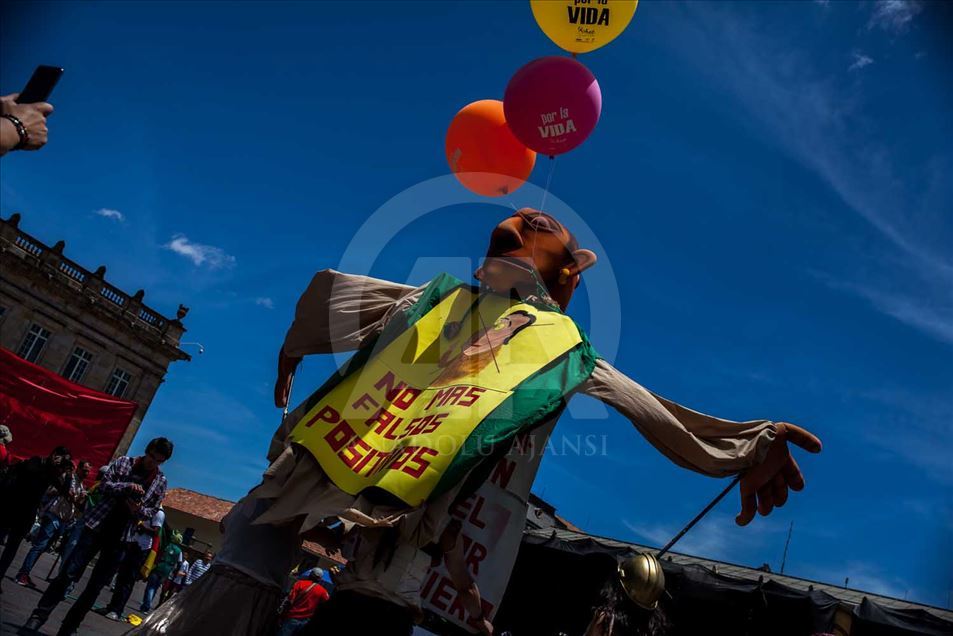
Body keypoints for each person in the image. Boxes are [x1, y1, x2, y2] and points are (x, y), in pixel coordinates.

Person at [24, 437, 172, 635]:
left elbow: (152, 510)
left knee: (95, 586)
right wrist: (126, 487)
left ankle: (69, 627)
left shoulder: (160, 481)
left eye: (158, 460)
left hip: (122, 536)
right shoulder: (124, 463)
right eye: (152, 457)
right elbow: (103, 485)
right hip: (97, 525)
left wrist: (137, 509)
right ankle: (38, 617)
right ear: (147, 451)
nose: (152, 462)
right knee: (68, 573)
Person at [0, 446, 73, 588]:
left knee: (11, 548)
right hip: (11, 508)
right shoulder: (36, 462)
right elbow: (30, 472)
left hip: (26, 515)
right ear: (54, 455)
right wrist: (52, 466)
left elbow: (63, 491)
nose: (60, 468)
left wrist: (69, 474)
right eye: (61, 462)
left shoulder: (52, 474)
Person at [15, 460, 90, 587]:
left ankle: (25, 573)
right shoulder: (68, 479)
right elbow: (54, 491)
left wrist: (80, 498)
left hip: (63, 520)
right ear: (78, 469)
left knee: (43, 547)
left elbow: (77, 504)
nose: (87, 473)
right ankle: (22, 573)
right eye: (85, 470)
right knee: (39, 545)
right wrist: (71, 494)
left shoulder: (81, 486)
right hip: (54, 515)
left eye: (88, 471)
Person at [103, 506, 166, 620]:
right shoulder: (146, 508)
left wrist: (142, 527)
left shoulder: (159, 513)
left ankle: (117, 610)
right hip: (132, 543)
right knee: (121, 578)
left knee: (128, 581)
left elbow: (156, 532)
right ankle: (111, 606)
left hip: (142, 549)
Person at [140, 530, 184, 613]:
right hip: (166, 571)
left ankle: (146, 605)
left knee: (150, 587)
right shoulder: (179, 551)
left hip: (158, 567)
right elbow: (179, 563)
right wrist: (174, 573)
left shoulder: (166, 545)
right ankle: (146, 604)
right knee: (155, 588)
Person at [277, 567, 330, 636]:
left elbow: (290, 600)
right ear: (320, 579)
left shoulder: (299, 584)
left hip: (292, 617)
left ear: (310, 575)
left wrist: (282, 614)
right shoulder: (323, 591)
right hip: (306, 621)